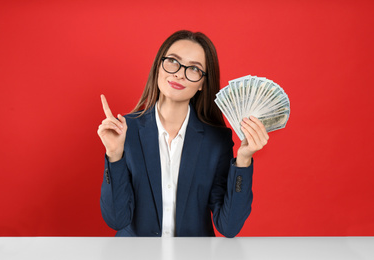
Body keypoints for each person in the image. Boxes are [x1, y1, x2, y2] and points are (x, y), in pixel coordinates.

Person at [97, 30, 269, 237]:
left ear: (202, 84)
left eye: (194, 68)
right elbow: (117, 219)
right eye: (172, 61)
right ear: (158, 67)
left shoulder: (216, 140)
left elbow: (229, 226)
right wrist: (114, 155)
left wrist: (244, 160)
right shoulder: (125, 131)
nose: (179, 73)